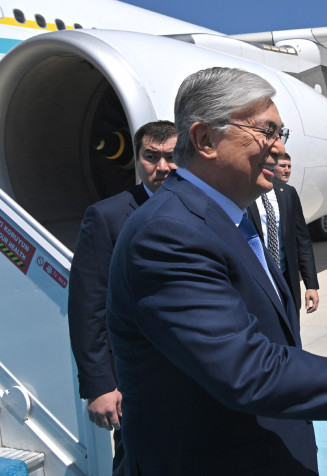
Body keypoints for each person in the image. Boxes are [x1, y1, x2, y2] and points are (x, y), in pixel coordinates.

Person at [106, 67, 327, 474]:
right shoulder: (168, 233)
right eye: (267, 132)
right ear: (205, 139)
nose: (279, 149)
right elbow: (247, 369)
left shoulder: (227, 219)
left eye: (282, 134)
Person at [67, 120, 178, 475]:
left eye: (172, 156)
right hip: (139, 380)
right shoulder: (107, 217)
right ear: (137, 158)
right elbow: (87, 307)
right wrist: (100, 384)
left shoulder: (203, 208)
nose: (163, 167)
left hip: (198, 373)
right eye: (151, 156)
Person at [247, 152, 320, 318]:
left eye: (289, 166)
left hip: (286, 278)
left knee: (292, 327)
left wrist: (311, 285)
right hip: (258, 280)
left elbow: (303, 242)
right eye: (283, 166)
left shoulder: (288, 193)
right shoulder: (246, 193)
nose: (287, 170)